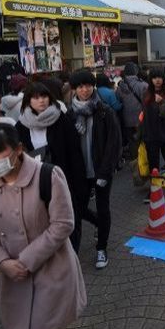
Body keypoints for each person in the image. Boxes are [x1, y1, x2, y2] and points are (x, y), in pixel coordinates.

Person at [0, 124, 86, 329]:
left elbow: (63, 223)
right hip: (13, 274)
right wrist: (2, 263)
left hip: (50, 267)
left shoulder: (48, 175)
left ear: (18, 149)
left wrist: (24, 262)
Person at [67, 71, 122, 268]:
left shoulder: (104, 111)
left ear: (93, 86)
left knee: (103, 207)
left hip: (100, 169)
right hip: (79, 172)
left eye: (88, 85)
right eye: (80, 86)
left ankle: (101, 248)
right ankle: (99, 224)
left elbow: (113, 143)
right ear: (74, 88)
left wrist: (106, 171)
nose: (84, 90)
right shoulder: (69, 113)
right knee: (78, 209)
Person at [15, 82, 80, 184]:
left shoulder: (61, 119)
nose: (41, 100)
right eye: (36, 98)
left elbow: (74, 150)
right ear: (28, 100)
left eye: (44, 96)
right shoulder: (21, 125)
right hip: (34, 179)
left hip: (61, 175)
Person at [140, 69, 165, 184]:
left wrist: (162, 102)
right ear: (150, 80)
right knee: (153, 161)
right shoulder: (146, 93)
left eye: (160, 77)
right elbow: (143, 113)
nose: (157, 80)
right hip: (150, 133)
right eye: (154, 78)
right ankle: (155, 186)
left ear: (163, 79)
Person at [115, 62, 148, 160]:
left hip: (127, 119)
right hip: (141, 118)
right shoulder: (143, 85)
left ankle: (135, 161)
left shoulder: (120, 87)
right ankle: (145, 162)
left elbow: (118, 101)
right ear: (136, 71)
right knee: (143, 140)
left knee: (132, 141)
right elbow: (148, 102)